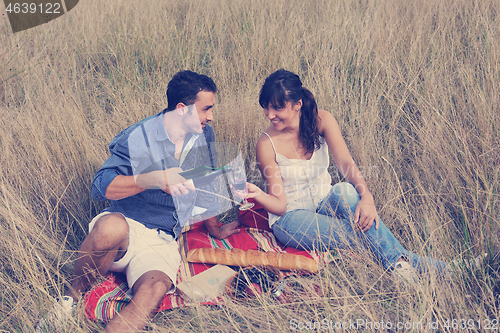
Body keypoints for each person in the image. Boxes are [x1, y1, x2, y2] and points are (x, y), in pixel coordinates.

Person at [36, 70, 240, 333]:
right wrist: (154, 179)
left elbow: (205, 179)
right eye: (205, 109)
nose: (211, 116)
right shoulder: (138, 137)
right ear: (181, 109)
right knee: (110, 228)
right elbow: (100, 186)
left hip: (164, 238)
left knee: (154, 290)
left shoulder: (204, 134)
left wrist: (213, 227)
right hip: (126, 228)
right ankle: (70, 301)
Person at [245, 69, 450, 282]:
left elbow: (345, 164)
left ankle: (403, 267)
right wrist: (258, 194)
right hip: (290, 217)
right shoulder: (266, 144)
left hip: (325, 201)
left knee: (345, 189)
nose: (270, 115)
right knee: (364, 233)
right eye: (266, 107)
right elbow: (279, 206)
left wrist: (367, 198)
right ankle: (438, 269)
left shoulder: (321, 120)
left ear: (297, 104)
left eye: (277, 107)